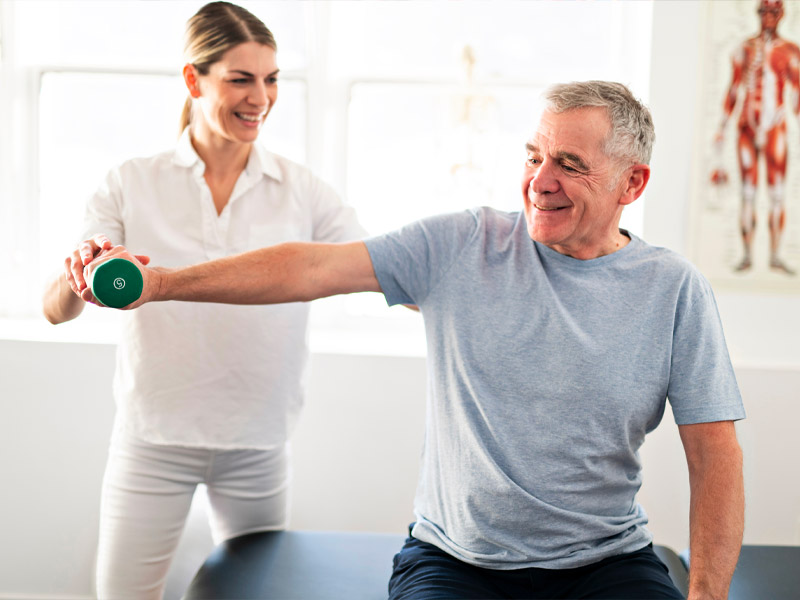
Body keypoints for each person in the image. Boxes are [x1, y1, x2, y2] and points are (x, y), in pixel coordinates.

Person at [80, 81, 746, 600]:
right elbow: (311, 266)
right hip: (457, 561)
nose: (541, 181)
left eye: (570, 165)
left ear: (633, 182)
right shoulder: (463, 245)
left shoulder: (672, 290)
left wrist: (707, 592)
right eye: (535, 156)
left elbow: (714, 454)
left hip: (605, 563)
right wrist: (162, 283)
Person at [42, 2, 366, 598]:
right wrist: (77, 275)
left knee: (259, 593)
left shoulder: (303, 191)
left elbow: (375, 267)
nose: (261, 98)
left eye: (271, 79)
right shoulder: (131, 181)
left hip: (257, 441)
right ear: (194, 79)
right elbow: (56, 309)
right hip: (153, 439)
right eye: (240, 78)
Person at [710, 0, 800, 275]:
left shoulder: (790, 51)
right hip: (747, 128)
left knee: (776, 194)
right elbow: (734, 89)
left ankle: (774, 255)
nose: (769, 17)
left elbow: (797, 93)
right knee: (747, 194)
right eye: (764, 12)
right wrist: (722, 127)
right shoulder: (745, 49)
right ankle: (748, 255)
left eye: (774, 12)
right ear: (758, 14)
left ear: (782, 14)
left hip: (776, 128)